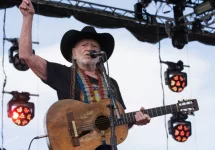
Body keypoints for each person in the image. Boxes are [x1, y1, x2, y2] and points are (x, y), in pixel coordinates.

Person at [19, 0, 151, 149]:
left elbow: (119, 122)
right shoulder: (64, 74)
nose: (89, 48)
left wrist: (136, 119)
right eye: (84, 45)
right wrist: (27, 18)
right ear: (73, 54)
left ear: (100, 55)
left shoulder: (111, 83)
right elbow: (26, 56)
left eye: (94, 46)